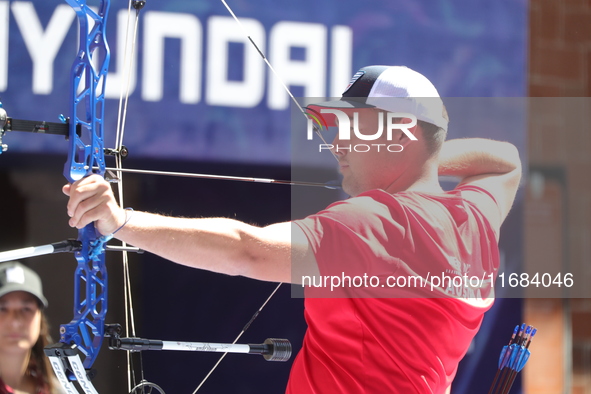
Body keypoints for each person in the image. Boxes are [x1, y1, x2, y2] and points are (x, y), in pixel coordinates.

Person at [64, 66, 521, 393]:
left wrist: (120, 221)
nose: (336, 143)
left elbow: (248, 251)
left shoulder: (374, 224)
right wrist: (425, 162)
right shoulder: (475, 221)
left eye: (352, 127)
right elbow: (505, 161)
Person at [0, 261, 62, 394]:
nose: (15, 321)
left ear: (40, 320)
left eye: (26, 309)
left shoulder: (57, 390)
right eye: (2, 309)